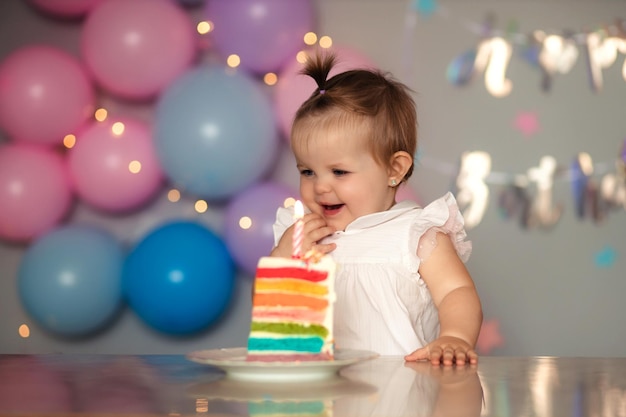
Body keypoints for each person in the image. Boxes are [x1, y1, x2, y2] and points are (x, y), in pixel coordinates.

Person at [270, 52, 483, 366]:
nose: (320, 187)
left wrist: (455, 337)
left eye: (339, 172)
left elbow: (456, 291)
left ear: (394, 169)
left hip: (403, 393)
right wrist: (282, 261)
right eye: (307, 172)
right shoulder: (303, 235)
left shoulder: (414, 234)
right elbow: (269, 312)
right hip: (321, 396)